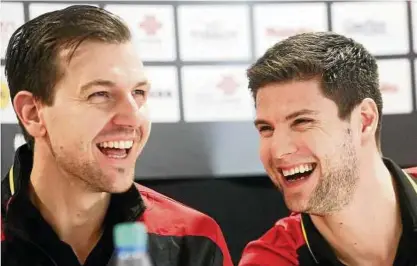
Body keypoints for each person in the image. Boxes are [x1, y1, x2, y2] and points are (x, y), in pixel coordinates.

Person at [1, 5, 233, 266]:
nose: (133, 117)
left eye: (139, 93)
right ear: (33, 113)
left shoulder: (193, 239)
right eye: (100, 94)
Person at [238, 32, 417, 266]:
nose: (278, 151)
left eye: (301, 122)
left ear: (364, 120)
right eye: (266, 129)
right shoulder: (270, 260)